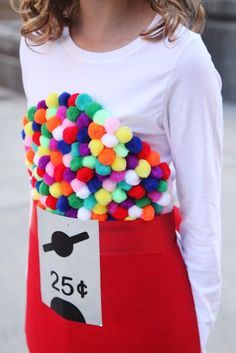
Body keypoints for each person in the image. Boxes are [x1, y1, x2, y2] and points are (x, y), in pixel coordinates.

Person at [13, 0, 223, 352]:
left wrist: (195, 333)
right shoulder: (37, 44)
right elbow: (43, 188)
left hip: (146, 314)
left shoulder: (181, 60)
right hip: (53, 311)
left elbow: (203, 218)